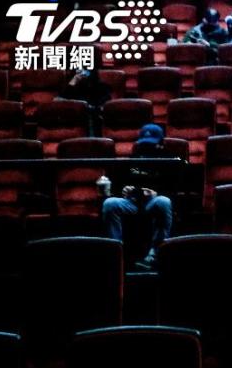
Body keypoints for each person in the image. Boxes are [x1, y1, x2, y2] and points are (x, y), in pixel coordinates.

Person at [100, 124, 173, 271]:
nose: (148, 148)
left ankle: (154, 254)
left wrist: (155, 193)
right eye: (145, 145)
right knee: (110, 203)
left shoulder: (169, 161)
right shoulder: (133, 160)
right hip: (132, 202)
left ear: (160, 144)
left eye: (152, 145)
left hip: (153, 202)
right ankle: (116, 252)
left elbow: (175, 189)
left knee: (163, 202)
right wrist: (125, 190)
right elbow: (120, 182)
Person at [58, 69, 111, 136]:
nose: (83, 75)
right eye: (79, 72)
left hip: (95, 121)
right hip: (76, 123)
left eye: (85, 72)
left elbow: (106, 106)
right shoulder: (72, 90)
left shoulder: (103, 88)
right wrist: (74, 81)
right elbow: (60, 99)